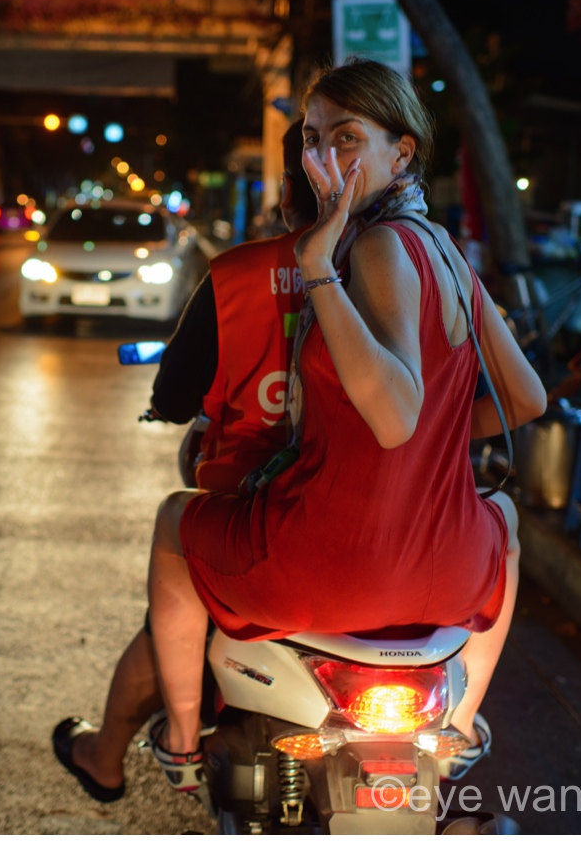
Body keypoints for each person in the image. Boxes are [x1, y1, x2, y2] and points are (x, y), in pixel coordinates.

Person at [134, 60, 545, 795]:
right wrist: (442, 442)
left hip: (327, 562)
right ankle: (461, 723)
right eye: (314, 138)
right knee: (505, 517)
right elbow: (526, 401)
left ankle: (182, 739)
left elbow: (394, 418)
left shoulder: (375, 248)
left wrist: (317, 261)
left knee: (175, 522)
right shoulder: (448, 252)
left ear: (404, 151)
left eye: (347, 138)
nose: (324, 158)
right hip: (444, 570)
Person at [53, 122, 319, 802]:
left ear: (286, 192)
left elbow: (175, 392)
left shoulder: (237, 276)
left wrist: (181, 407)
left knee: (174, 585)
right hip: (381, 533)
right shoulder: (405, 268)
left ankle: (122, 752)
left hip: (249, 520)